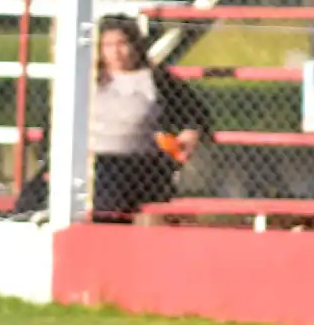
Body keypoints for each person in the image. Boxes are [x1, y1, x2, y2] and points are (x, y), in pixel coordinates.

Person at [13, 15, 211, 220]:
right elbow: (54, 121)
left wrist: (190, 132)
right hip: (85, 159)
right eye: (107, 45)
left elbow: (197, 114)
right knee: (31, 197)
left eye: (122, 44)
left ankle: (96, 232)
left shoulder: (157, 79)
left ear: (136, 44)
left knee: (105, 183)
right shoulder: (86, 78)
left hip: (136, 164)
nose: (116, 52)